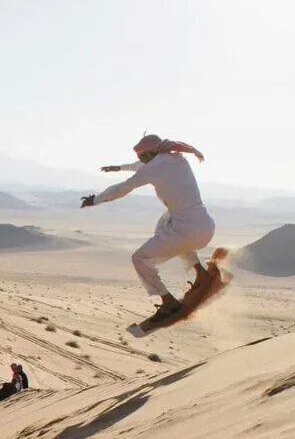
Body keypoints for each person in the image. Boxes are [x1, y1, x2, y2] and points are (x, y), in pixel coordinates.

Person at [80, 134, 215, 325]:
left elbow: (123, 188)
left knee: (139, 259)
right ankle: (202, 273)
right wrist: (118, 168)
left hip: (185, 232)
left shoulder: (154, 166)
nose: (140, 160)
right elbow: (143, 166)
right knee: (164, 223)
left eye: (142, 156)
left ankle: (168, 303)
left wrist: (96, 200)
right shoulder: (176, 158)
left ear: (151, 152)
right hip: (205, 225)